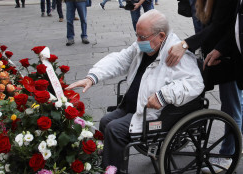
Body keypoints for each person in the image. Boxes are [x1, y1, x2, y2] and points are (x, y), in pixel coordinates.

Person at [66, 9, 204, 172]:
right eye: (137, 35)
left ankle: (113, 170)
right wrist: (92, 77)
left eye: (142, 37)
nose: (138, 41)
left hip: (155, 114)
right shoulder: (144, 46)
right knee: (105, 121)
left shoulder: (177, 54)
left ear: (161, 35)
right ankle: (107, 163)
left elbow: (195, 83)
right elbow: (119, 59)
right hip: (133, 106)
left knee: (114, 130)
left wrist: (163, 96)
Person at [166, 0, 242, 173]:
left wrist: (186, 44)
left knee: (232, 106)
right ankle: (236, 140)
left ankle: (228, 156)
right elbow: (208, 26)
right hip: (219, 51)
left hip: (231, 55)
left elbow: (222, 26)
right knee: (235, 103)